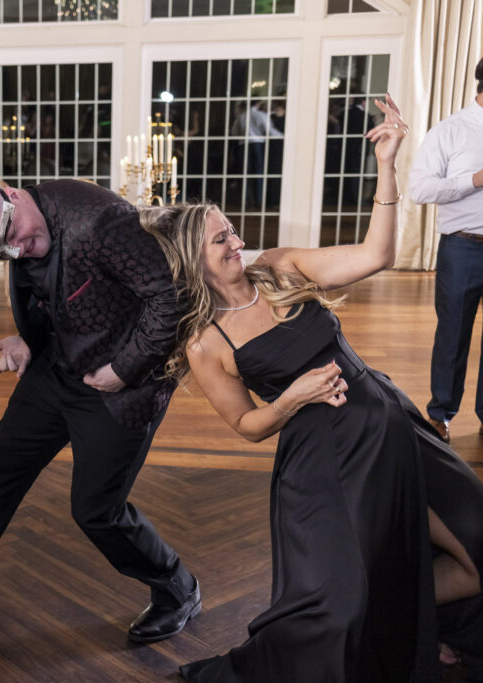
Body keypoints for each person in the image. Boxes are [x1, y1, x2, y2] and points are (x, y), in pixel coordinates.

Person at [146, 95, 483, 682]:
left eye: (231, 230)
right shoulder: (206, 343)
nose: (236, 243)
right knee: (339, 602)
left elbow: (378, 254)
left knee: (478, 547)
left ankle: (409, 627)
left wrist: (387, 164)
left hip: (390, 424)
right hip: (328, 458)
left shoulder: (280, 269)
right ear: (190, 262)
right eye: (219, 241)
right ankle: (393, 635)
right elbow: (248, 425)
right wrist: (292, 397)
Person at [0, 178, 201, 645]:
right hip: (55, 369)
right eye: (2, 252)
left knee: (97, 511)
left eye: (16, 238)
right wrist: (26, 340)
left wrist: (123, 368)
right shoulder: (15, 234)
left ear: (14, 196)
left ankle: (178, 590)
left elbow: (171, 297)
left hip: (118, 383)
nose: (18, 251)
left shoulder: (100, 221)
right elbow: (46, 295)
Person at [408, 58, 483, 444]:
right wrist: (475, 179)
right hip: (464, 247)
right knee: (453, 334)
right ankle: (440, 414)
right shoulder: (451, 131)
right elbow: (420, 189)